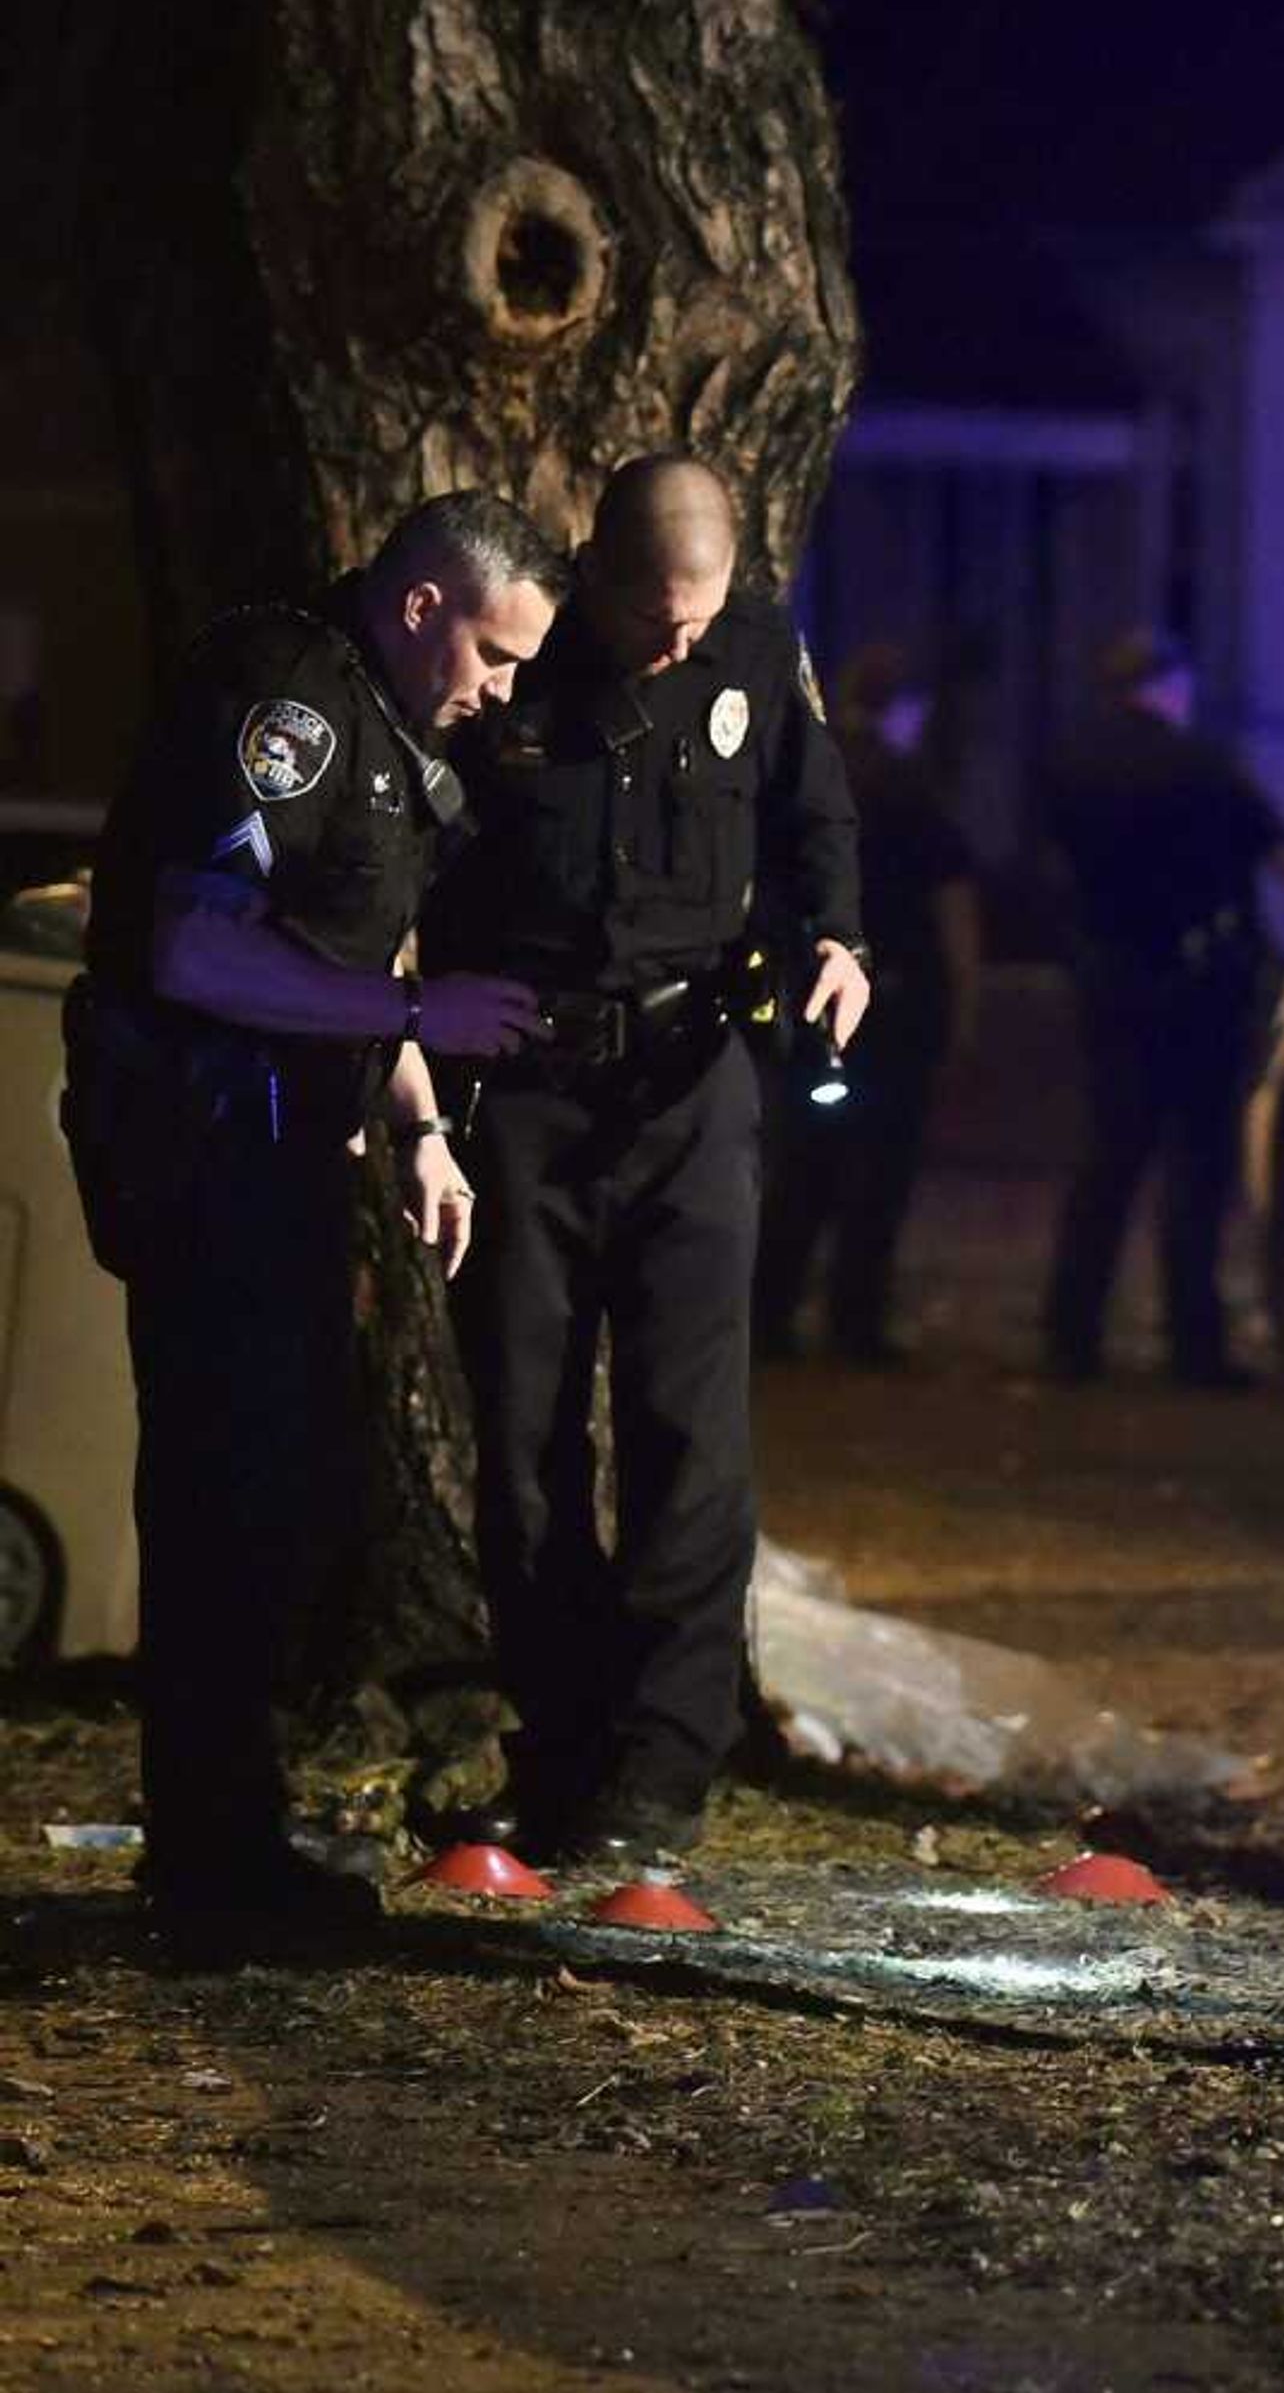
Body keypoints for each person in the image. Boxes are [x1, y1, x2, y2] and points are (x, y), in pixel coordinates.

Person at [65, 493, 564, 1939]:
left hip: (285, 1146)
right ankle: (212, 1866)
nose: (502, 688)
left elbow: (343, 942)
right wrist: (418, 1014)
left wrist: (416, 1122)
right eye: (493, 651)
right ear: (422, 607)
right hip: (204, 1136)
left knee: (277, 1495)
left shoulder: (395, 736)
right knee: (225, 1495)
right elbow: (200, 944)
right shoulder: (288, 699)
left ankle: (229, 1837)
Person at [419, 455, 867, 1864]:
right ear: (597, 572)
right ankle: (554, 1748)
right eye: (655, 617)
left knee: (691, 1438)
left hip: (689, 1083)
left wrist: (838, 941)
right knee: (527, 1438)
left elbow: (815, 821)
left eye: (700, 614)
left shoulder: (755, 648)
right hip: (528, 1090)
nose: (677, 643)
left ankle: (662, 1772)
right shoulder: (519, 670)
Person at [1039, 627, 1284, 1387]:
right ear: (1167, 686)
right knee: (1196, 1167)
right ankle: (1193, 1343)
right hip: (1198, 991)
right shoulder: (1199, 769)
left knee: (1109, 1158)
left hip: (1109, 982)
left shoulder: (1069, 766)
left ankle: (1069, 1336)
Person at [755, 643, 981, 1364]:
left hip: (808, 994)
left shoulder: (808, 767)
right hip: (898, 1000)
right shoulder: (911, 788)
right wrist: (963, 1007)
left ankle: (773, 1315)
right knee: (880, 1170)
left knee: (804, 1161)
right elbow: (954, 905)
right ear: (906, 708)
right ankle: (856, 1320)